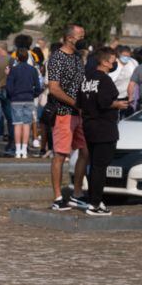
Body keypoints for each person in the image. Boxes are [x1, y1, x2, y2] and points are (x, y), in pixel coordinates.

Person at [78, 48, 129, 216]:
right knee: (100, 167)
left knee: (94, 166)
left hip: (89, 126)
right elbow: (104, 101)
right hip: (104, 128)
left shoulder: (86, 78)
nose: (114, 63)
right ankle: (94, 204)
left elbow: (81, 101)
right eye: (113, 60)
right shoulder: (105, 80)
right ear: (105, 62)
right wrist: (118, 104)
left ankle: (96, 200)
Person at [46, 25, 89, 211]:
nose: (83, 39)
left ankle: (77, 193)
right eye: (81, 36)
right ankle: (57, 197)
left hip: (79, 113)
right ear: (70, 38)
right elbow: (54, 88)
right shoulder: (57, 58)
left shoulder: (78, 57)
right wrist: (74, 103)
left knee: (85, 151)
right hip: (64, 113)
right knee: (60, 155)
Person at [6, 48, 41, 158]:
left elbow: (9, 87)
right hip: (29, 98)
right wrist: (33, 95)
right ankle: (24, 150)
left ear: (17, 58)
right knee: (26, 125)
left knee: (17, 125)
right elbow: (38, 87)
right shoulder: (33, 70)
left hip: (16, 99)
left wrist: (11, 96)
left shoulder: (14, 70)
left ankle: (17, 150)